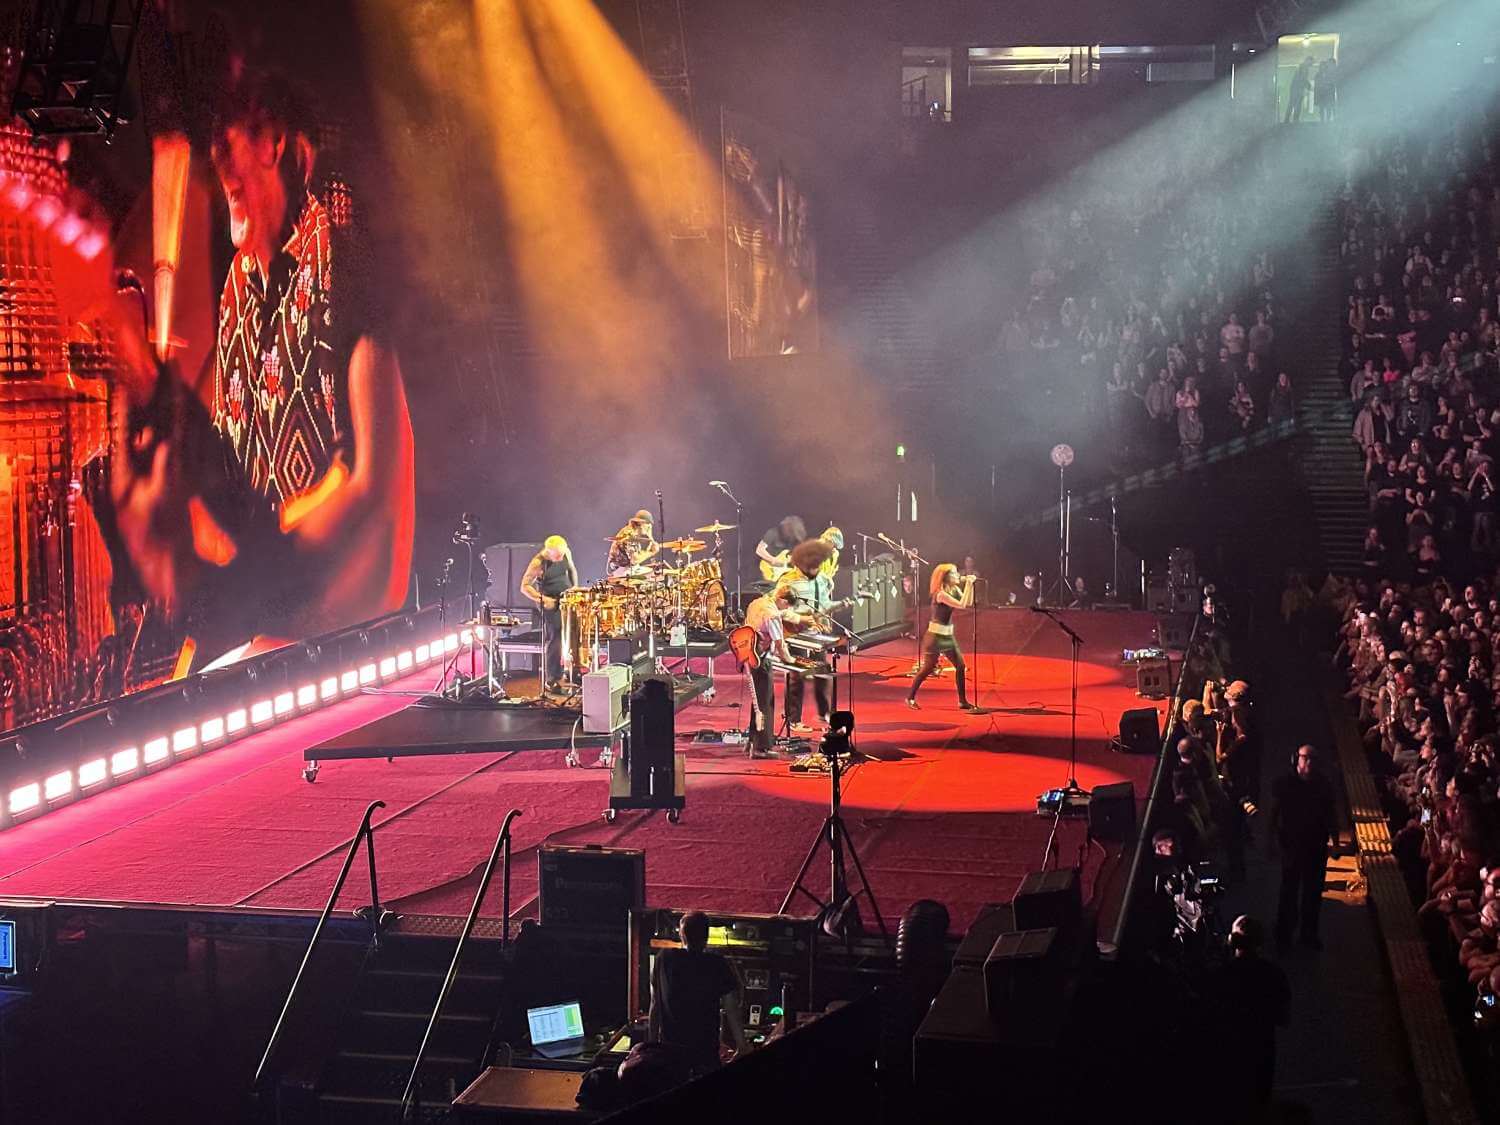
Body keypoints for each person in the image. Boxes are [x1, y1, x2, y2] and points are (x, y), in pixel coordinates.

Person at [105, 66, 415, 670]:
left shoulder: (344, 268)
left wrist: (278, 590)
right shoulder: (237, 291)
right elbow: (229, 472)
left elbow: (373, 490)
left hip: (334, 621)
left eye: (228, 140)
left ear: (274, 141)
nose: (215, 159)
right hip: (264, 608)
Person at [1206, 915, 1291, 1118]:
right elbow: (1284, 1018)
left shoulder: (1221, 975)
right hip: (1263, 1050)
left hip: (1228, 1052)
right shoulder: (1274, 974)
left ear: (1231, 941)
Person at [648, 910, 748, 1074]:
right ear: (706, 936)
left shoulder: (663, 959)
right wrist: (742, 1045)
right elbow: (732, 1008)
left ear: (682, 934)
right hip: (705, 1054)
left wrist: (651, 1046)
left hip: (672, 1054)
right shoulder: (716, 964)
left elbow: (655, 1005)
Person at [1269, 744, 1338, 950]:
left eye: (1313, 759)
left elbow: (1330, 815)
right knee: (1289, 892)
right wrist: (1269, 841)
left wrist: (1335, 841)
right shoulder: (1284, 784)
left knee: (1313, 894)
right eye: (1305, 758)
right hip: (1291, 846)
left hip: (1316, 846)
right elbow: (1273, 813)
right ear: (1296, 760)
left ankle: (1308, 935)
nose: (1309, 762)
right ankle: (1284, 935)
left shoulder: (1324, 785)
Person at [739, 581, 802, 757]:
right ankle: (762, 748)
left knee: (757, 700)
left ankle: (752, 740)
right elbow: (780, 645)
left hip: (748, 653)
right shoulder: (772, 614)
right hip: (760, 658)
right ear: (782, 600)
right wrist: (791, 660)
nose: (785, 609)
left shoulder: (757, 602)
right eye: (786, 605)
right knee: (766, 701)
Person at [907, 563, 980, 712]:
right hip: (935, 638)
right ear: (945, 578)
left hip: (947, 636)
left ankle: (962, 701)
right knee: (927, 668)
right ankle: (910, 697)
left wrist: (970, 586)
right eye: (954, 573)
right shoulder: (940, 594)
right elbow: (961, 605)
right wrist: (968, 583)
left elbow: (968, 602)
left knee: (960, 666)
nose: (958, 575)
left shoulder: (954, 589)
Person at [520, 535, 579, 690]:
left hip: (567, 598)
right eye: (557, 556)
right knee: (556, 637)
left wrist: (575, 587)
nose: (560, 558)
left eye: (562, 554)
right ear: (548, 552)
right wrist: (543, 599)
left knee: (573, 633)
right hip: (550, 602)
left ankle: (573, 672)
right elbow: (525, 586)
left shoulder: (565, 552)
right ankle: (552, 678)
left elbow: (572, 569)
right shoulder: (538, 562)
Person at [607, 509, 659, 576]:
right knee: (651, 574)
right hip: (621, 570)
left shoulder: (633, 532)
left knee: (650, 572)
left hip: (626, 567)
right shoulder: (630, 534)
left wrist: (650, 538)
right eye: (648, 525)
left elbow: (635, 555)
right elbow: (634, 560)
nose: (649, 527)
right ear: (641, 523)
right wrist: (652, 552)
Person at [755, 515, 806, 582]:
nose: (791, 534)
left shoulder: (793, 538)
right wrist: (773, 560)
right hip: (769, 568)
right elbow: (759, 550)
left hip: (784, 569)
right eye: (790, 530)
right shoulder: (772, 533)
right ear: (786, 526)